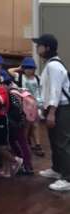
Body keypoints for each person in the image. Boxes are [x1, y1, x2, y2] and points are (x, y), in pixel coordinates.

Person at [34, 34, 70, 192]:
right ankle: (57, 169)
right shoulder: (50, 64)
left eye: (39, 45)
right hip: (55, 108)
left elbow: (55, 91)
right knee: (55, 141)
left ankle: (67, 178)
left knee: (62, 143)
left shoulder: (54, 66)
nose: (37, 48)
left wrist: (52, 113)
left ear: (47, 47)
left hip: (61, 108)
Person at [0, 69, 23, 178]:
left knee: (0, 146)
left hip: (1, 120)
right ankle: (6, 170)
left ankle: (15, 160)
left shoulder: (0, 90)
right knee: (3, 146)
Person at [8, 56, 44, 156]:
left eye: (31, 68)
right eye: (27, 68)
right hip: (24, 105)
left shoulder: (38, 78)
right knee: (26, 126)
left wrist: (40, 105)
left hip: (35, 105)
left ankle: (37, 144)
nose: (29, 70)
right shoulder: (19, 76)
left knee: (35, 125)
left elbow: (40, 91)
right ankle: (25, 143)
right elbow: (9, 70)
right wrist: (19, 68)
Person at [3, 70, 34, 175]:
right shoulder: (15, 89)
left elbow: (16, 109)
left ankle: (26, 164)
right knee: (20, 142)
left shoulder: (11, 93)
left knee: (21, 143)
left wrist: (16, 121)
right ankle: (25, 163)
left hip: (17, 122)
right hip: (20, 120)